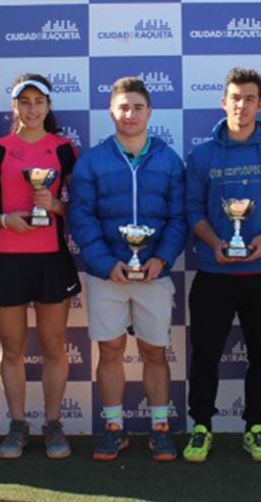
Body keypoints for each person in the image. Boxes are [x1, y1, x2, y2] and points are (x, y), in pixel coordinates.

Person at [68, 76, 188, 462]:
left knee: (155, 352)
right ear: (111, 112)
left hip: (153, 273)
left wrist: (161, 258)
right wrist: (104, 263)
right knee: (111, 350)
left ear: (149, 112)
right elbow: (81, 216)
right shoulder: (92, 160)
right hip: (108, 275)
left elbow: (179, 217)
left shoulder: (169, 159)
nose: (131, 114)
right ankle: (114, 428)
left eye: (138, 107)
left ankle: (160, 428)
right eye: (123, 107)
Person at [181, 68, 261, 464]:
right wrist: (215, 242)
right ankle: (201, 427)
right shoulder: (202, 154)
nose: (241, 105)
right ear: (223, 102)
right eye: (235, 97)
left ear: (260, 105)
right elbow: (192, 209)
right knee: (206, 354)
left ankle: (256, 428)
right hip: (214, 274)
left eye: (249, 99)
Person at [0, 73, 80, 460]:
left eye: (38, 102)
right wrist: (4, 221)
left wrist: (55, 206)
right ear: (14, 107)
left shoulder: (64, 149)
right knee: (12, 348)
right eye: (24, 102)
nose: (31, 109)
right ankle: (17, 423)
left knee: (53, 347)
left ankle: (53, 423)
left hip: (51, 260)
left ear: (48, 107)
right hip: (9, 260)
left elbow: (78, 208)